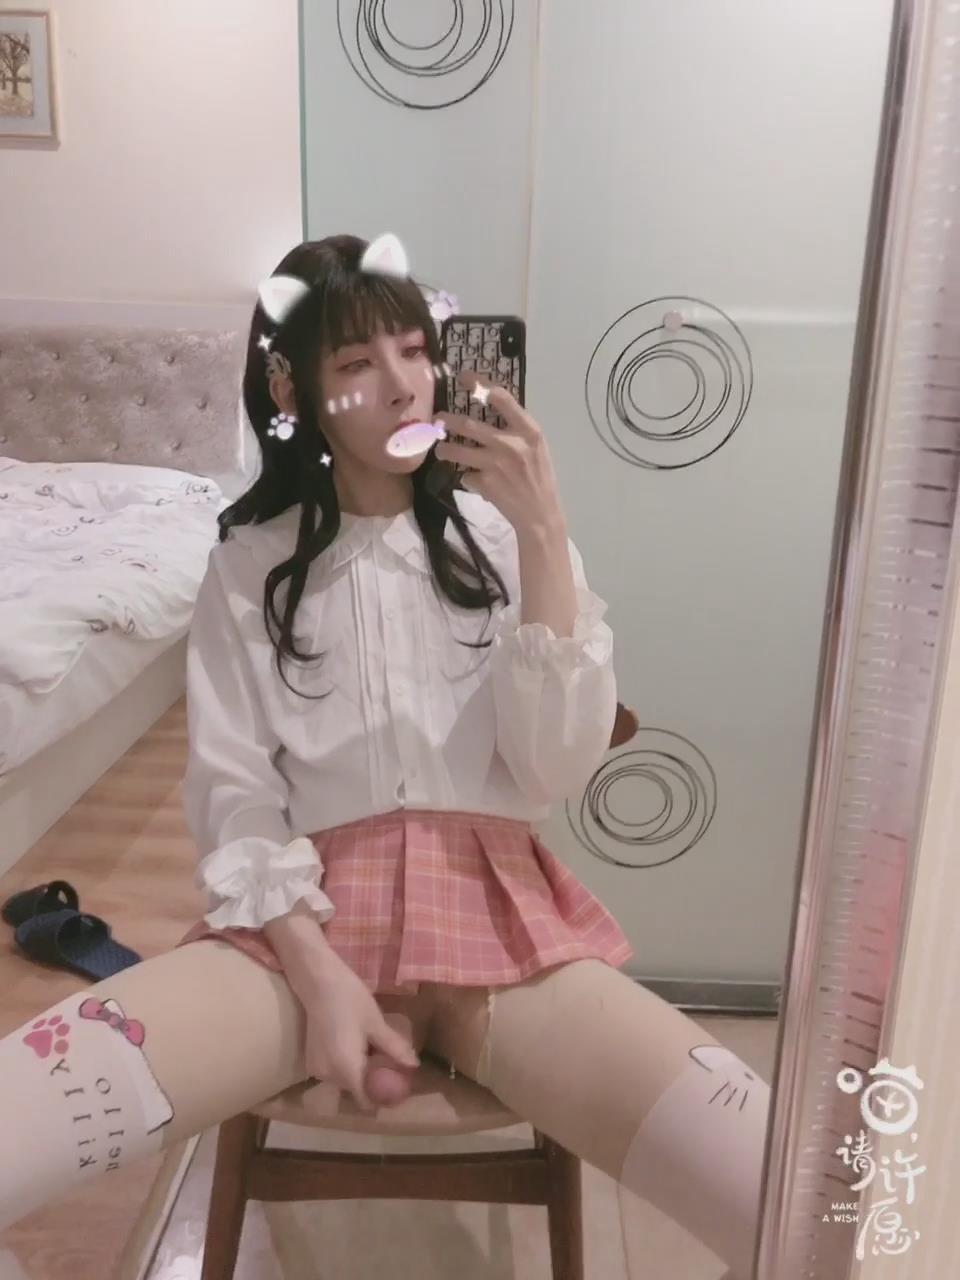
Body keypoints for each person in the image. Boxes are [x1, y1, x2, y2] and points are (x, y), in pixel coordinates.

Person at [0, 234, 770, 1279]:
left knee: (806, 1191)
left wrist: (544, 532)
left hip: (505, 929)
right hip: (293, 937)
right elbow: (235, 793)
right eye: (360, 361)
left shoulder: (504, 545)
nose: (406, 383)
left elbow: (551, 770)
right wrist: (317, 977)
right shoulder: (249, 565)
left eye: (415, 350)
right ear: (295, 390)